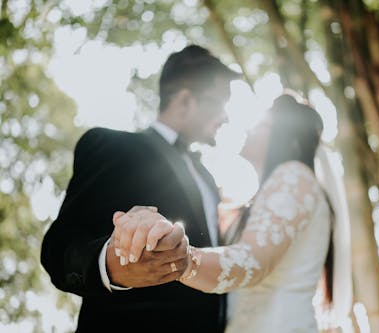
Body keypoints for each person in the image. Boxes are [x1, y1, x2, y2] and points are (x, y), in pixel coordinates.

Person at [40, 45, 240, 332]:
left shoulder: (208, 178)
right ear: (185, 100)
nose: (226, 117)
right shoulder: (113, 147)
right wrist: (113, 265)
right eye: (219, 102)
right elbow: (60, 248)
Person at [113, 94, 353, 332]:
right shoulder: (281, 189)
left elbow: (252, 260)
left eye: (261, 124)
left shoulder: (293, 177)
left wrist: (184, 260)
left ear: (284, 136)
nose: (250, 130)